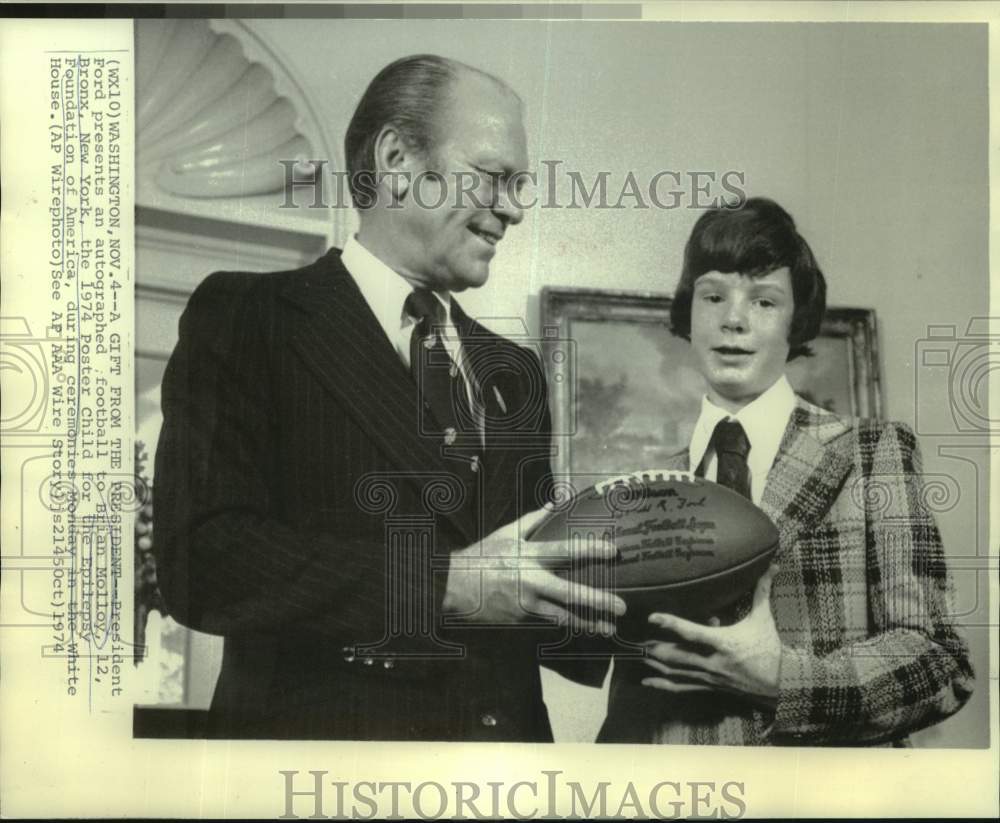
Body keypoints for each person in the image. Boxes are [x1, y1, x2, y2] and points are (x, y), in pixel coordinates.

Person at [153, 54, 624, 741]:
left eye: (520, 185)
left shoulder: (512, 370)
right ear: (398, 159)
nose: (516, 209)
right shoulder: (250, 318)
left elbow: (543, 616)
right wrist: (447, 584)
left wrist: (658, 577)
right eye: (496, 176)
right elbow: (204, 558)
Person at [596, 197, 974, 745]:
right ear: (690, 312)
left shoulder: (874, 454)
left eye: (764, 301)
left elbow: (940, 663)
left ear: (796, 321)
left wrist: (782, 679)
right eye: (714, 295)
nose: (733, 318)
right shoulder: (648, 488)